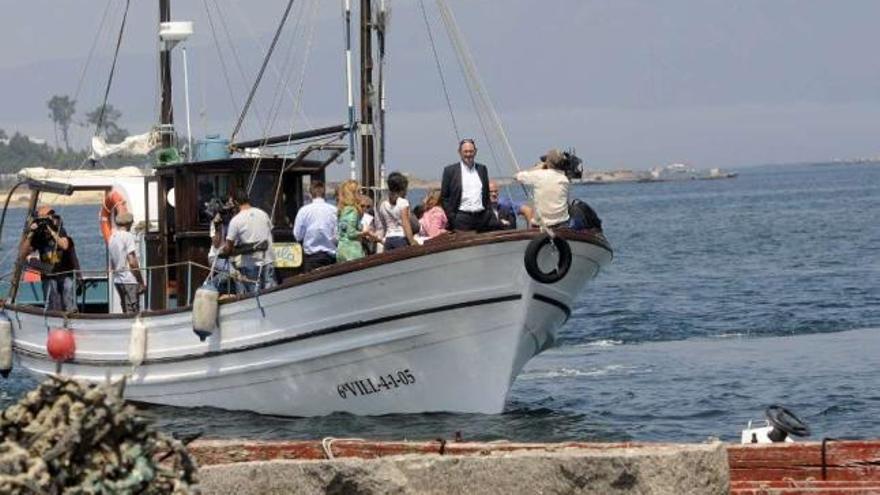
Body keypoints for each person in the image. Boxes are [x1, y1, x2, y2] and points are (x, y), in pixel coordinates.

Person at [18, 206, 80, 312]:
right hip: (49, 274)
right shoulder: (39, 236)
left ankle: (72, 317)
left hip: (66, 273)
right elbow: (22, 254)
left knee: (68, 293)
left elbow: (64, 245)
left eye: (48, 218)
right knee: (52, 297)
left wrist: (50, 230)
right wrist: (31, 234)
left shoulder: (60, 230)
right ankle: (54, 319)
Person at [221, 188, 276, 293]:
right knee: (271, 293)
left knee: (254, 295)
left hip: (251, 263)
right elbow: (270, 231)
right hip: (268, 259)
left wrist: (224, 251)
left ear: (236, 203)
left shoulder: (236, 220)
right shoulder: (263, 213)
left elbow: (228, 247)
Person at [440, 138, 490, 232]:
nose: (468, 154)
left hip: (481, 218)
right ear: (459, 152)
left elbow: (486, 194)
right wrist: (452, 217)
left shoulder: (482, 169)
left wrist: (487, 213)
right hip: (461, 219)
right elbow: (444, 197)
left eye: (471, 151)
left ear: (475, 152)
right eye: (465, 151)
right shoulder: (450, 171)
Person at [515, 149, 571, 229]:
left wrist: (538, 167)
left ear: (547, 162)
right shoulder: (565, 179)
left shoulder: (539, 175)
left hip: (540, 226)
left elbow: (517, 176)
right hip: (562, 225)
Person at [293, 181, 337, 272]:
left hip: (312, 257)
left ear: (310, 194)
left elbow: (298, 235)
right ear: (324, 193)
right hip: (331, 256)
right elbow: (337, 234)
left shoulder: (304, 211)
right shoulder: (333, 210)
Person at [108, 212, 146, 313]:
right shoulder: (128, 236)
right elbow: (132, 261)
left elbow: (112, 263)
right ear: (128, 224)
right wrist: (140, 281)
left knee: (124, 308)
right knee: (133, 310)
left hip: (118, 280)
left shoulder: (112, 237)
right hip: (129, 279)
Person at [376, 172, 417, 250]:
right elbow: (405, 224)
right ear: (402, 189)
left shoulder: (383, 204)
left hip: (388, 240)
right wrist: (412, 241)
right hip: (401, 239)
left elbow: (383, 225)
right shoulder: (403, 202)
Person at [335, 179, 366, 263]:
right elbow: (351, 233)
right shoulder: (353, 210)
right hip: (352, 250)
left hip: (341, 249)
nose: (361, 194)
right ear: (353, 194)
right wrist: (364, 233)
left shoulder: (342, 210)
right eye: (359, 192)